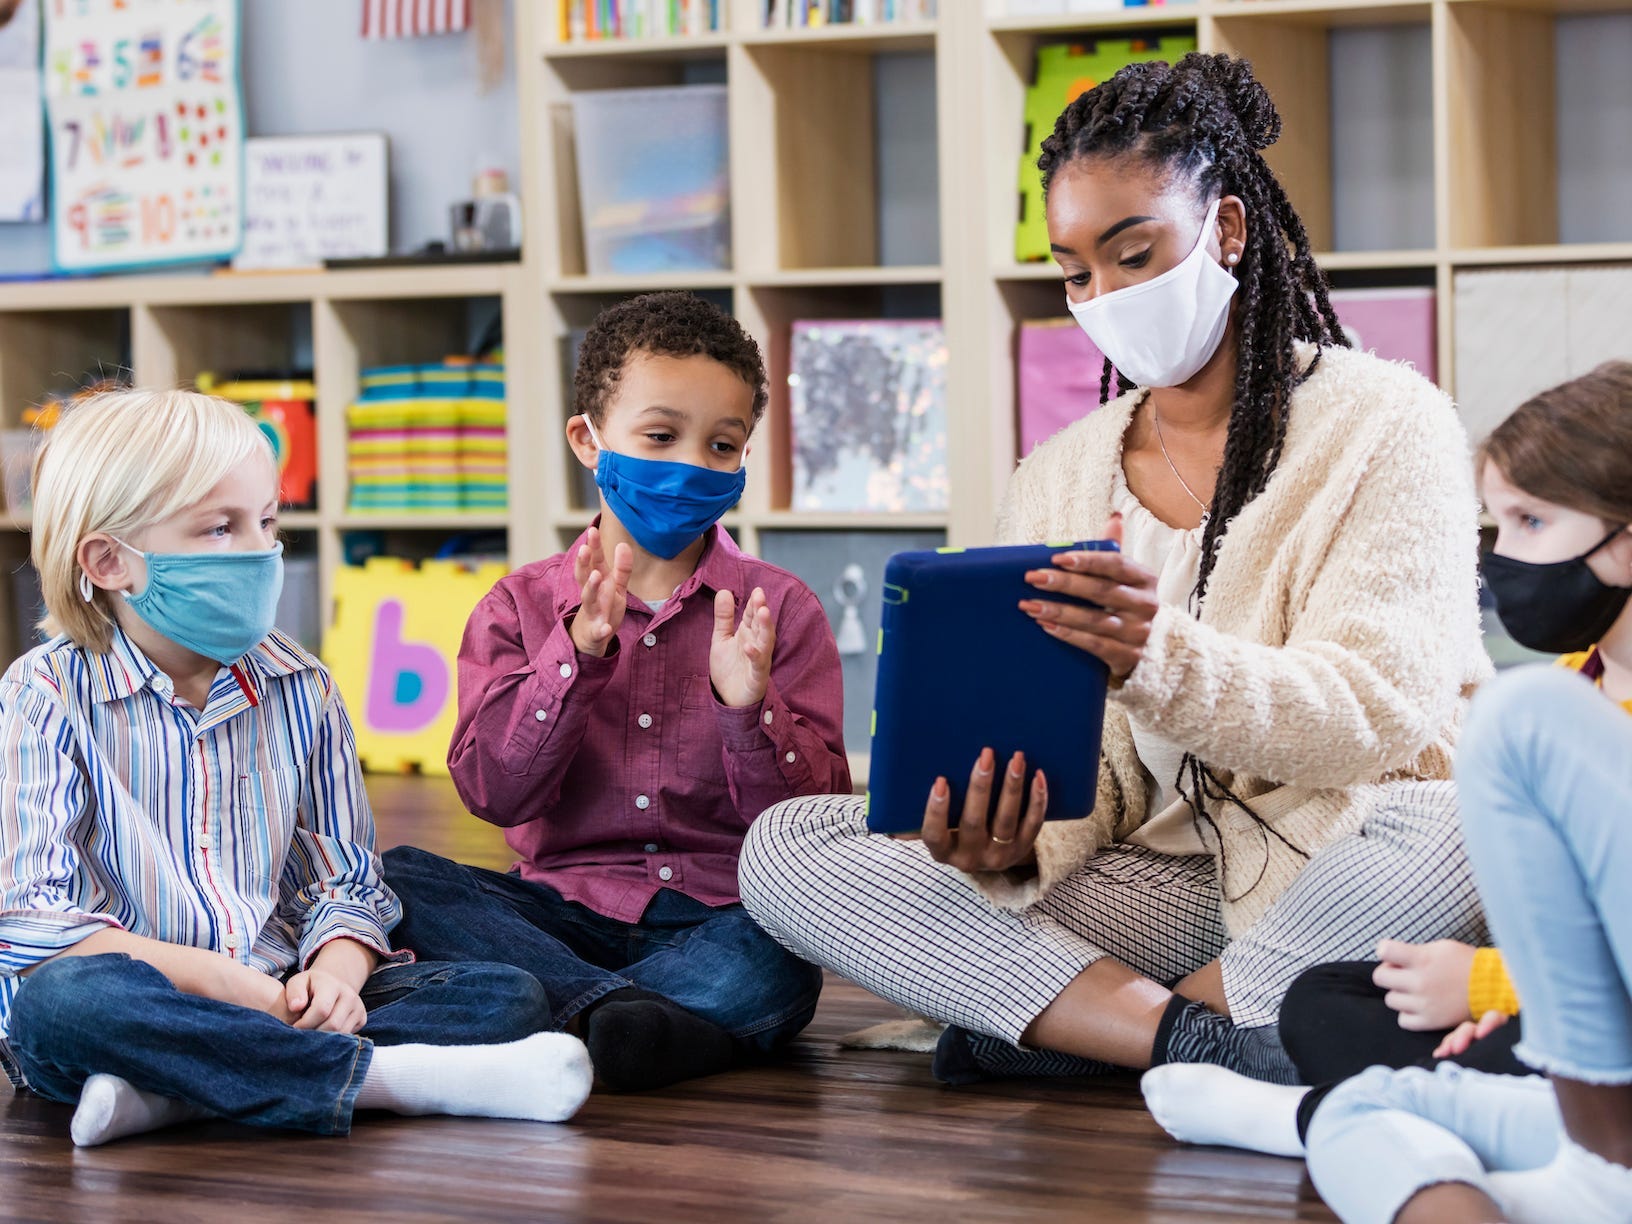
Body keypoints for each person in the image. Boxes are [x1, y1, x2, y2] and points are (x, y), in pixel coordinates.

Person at [737, 52, 1490, 1085]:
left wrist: (1157, 658)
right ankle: (1198, 1044)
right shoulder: (1059, 476)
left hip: (1348, 848)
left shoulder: (1385, 422)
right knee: (788, 848)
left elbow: (1380, 715)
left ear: (1226, 231)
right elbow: (1088, 774)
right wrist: (1005, 840)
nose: (1104, 296)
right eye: (1078, 271)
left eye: (1135, 256)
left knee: (1455, 823)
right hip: (1156, 874)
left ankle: (1063, 1021)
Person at [0, 389, 591, 1148]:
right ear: (110, 561)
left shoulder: (301, 685)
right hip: (139, 997)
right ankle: (391, 1084)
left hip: (280, 994)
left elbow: (346, 881)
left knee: (505, 997)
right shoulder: (42, 693)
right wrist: (219, 983)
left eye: (267, 522)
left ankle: (176, 1092)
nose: (260, 550)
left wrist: (336, 977)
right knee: (66, 1006)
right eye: (221, 527)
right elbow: (28, 919)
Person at [1143, 363, 1632, 1223]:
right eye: (1497, 521)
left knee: (1415, 1071)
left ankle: (1321, 1117)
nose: (1501, 555)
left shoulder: (1548, 723)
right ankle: (1441, 1114)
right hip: (1578, 1017)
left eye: (1531, 521)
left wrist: (1491, 987)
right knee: (1322, 1002)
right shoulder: (1574, 678)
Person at [382, 292, 848, 1092]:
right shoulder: (518, 607)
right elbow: (494, 795)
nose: (691, 466)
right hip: (557, 916)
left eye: (722, 445)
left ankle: (553, 1017)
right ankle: (639, 1024)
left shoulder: (781, 610)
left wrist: (749, 710)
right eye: (661, 436)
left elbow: (815, 824)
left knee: (778, 960)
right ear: (588, 441)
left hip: (718, 920)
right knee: (398, 879)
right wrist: (574, 660)